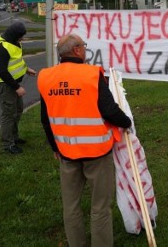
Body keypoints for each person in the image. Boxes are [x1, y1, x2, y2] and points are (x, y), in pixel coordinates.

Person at [38, 34, 132, 247]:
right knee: (100, 206)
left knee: (70, 206)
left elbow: (45, 119)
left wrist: (54, 146)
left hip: (66, 151)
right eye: (84, 46)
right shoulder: (91, 74)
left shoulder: (45, 77)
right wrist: (126, 122)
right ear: (77, 50)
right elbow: (108, 110)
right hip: (96, 151)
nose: (85, 49)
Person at [0, 21, 37, 154]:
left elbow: (16, 61)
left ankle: (14, 137)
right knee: (9, 114)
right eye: (21, 36)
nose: (22, 39)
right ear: (14, 35)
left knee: (18, 110)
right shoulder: (1, 48)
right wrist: (17, 87)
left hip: (12, 84)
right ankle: (8, 144)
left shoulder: (14, 43)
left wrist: (26, 69)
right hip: (5, 86)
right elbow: (2, 72)